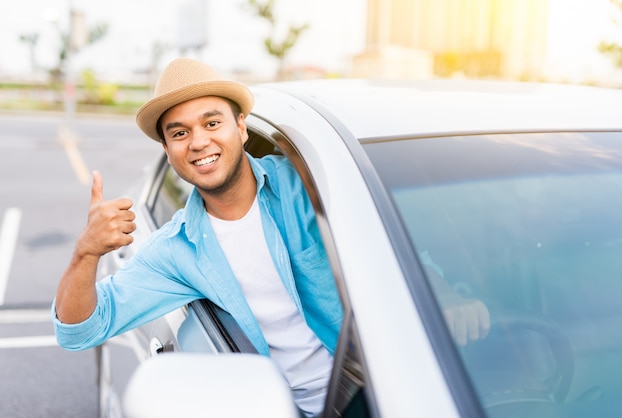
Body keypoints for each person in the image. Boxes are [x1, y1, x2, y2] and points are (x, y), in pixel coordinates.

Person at [52, 58, 490, 417]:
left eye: (212, 123)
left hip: (383, 391)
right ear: (168, 151)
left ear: (241, 127)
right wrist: (85, 252)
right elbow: (80, 330)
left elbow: (388, 244)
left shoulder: (309, 185)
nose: (199, 142)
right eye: (180, 133)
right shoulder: (175, 250)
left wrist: (448, 296)